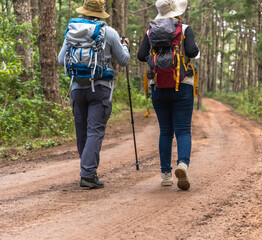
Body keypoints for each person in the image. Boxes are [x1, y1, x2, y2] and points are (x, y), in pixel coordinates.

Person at [58, 0, 130, 189]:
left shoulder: (72, 30)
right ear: (100, 14)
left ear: (84, 12)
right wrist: (125, 46)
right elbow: (123, 60)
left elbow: (60, 60)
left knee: (82, 132)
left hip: (77, 88)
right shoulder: (109, 32)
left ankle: (87, 170)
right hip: (100, 89)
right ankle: (88, 174)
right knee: (95, 131)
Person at [137, 0, 199, 190]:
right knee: (182, 130)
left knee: (165, 132)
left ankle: (165, 175)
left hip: (159, 86)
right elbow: (192, 52)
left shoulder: (151, 31)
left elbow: (141, 56)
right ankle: (182, 164)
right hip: (183, 86)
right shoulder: (185, 28)